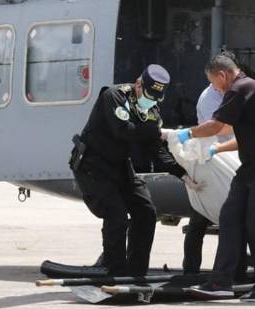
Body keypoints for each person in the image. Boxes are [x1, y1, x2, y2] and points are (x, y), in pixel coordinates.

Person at [182, 54, 255, 302]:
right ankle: (221, 281)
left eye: (214, 83)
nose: (215, 89)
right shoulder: (248, 90)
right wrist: (217, 149)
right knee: (230, 218)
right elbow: (244, 135)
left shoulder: (240, 89)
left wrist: (183, 134)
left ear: (223, 75)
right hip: (250, 169)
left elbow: (215, 127)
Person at [69, 65, 197, 277]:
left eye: (157, 97)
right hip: (94, 165)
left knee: (146, 212)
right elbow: (122, 131)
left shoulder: (152, 110)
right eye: (149, 95)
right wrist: (155, 132)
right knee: (116, 215)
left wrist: (181, 173)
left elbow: (155, 149)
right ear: (138, 84)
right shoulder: (116, 96)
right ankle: (112, 267)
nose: (152, 101)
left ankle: (136, 271)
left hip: (119, 164)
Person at [182, 81, 237, 275]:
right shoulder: (209, 98)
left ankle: (230, 271)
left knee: (230, 221)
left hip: (227, 162)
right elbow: (217, 128)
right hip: (210, 161)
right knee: (199, 220)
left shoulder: (228, 93)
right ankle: (190, 271)